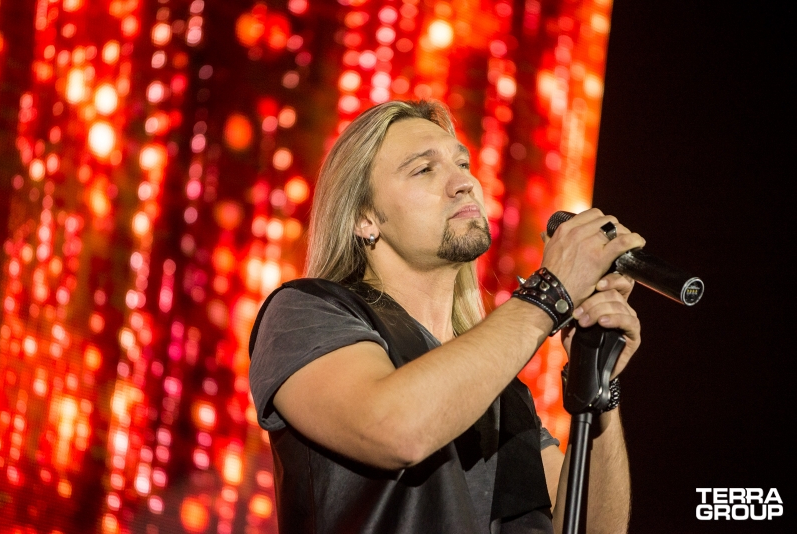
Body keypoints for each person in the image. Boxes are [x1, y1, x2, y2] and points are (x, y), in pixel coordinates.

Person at [248, 100, 644, 533]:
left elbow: (592, 529)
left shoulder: (500, 389)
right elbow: (396, 427)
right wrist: (550, 293)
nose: (464, 183)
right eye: (424, 169)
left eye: (463, 164)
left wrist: (597, 379)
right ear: (364, 218)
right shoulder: (305, 312)